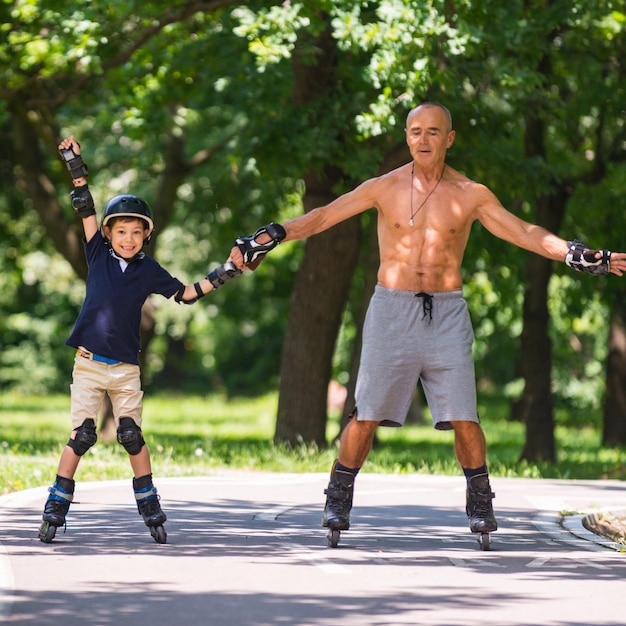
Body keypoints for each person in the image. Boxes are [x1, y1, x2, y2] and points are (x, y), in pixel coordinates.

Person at [228, 102, 626, 545]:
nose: (423, 139)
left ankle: (480, 502)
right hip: (391, 310)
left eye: (433, 132)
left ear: (449, 138)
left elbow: (524, 232)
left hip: (447, 312)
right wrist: (272, 236)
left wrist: (575, 253)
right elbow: (324, 216)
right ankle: (338, 495)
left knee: (464, 415)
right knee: (365, 414)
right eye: (415, 131)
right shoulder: (384, 187)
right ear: (406, 136)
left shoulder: (471, 193)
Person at [39, 136, 240, 544]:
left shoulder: (149, 270)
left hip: (126, 367)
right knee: (82, 435)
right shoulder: (96, 252)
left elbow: (185, 293)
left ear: (145, 236)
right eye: (121, 231)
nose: (128, 238)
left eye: (136, 232)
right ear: (110, 233)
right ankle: (56, 505)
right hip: (89, 362)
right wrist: (75, 165)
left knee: (131, 434)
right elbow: (85, 208)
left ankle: (148, 502)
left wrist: (227, 271)